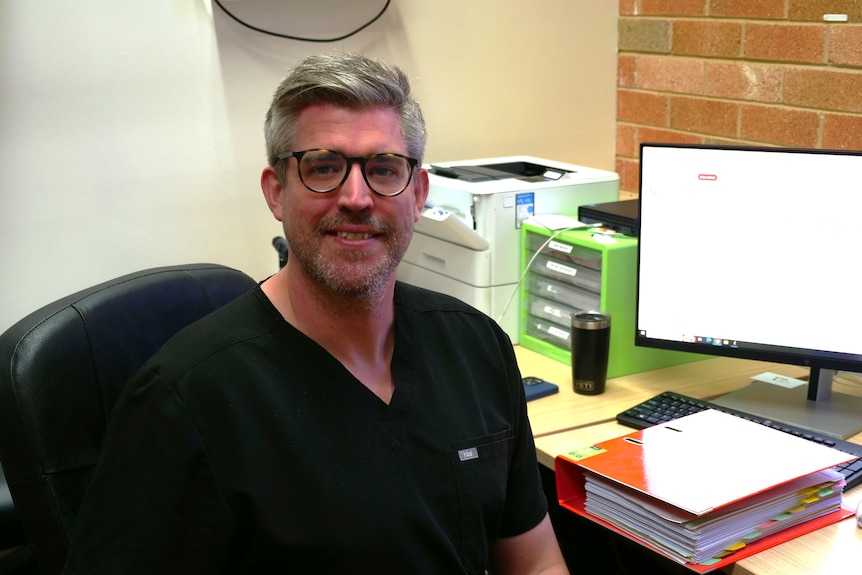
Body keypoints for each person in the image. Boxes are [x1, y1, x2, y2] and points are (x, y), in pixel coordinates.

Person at [63, 52, 569, 575]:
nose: (356, 197)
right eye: (323, 168)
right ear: (276, 191)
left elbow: (533, 561)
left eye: (383, 170)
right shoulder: (187, 399)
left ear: (418, 195)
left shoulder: (477, 346)